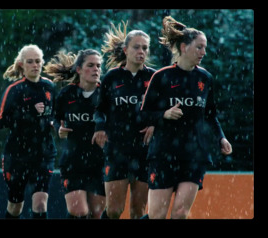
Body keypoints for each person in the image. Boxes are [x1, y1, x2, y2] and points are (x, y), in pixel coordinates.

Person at [140, 16, 233, 219]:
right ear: (183, 47)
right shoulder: (162, 77)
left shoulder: (205, 79)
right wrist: (164, 114)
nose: (204, 52)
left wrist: (221, 138)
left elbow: (210, 115)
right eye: (199, 47)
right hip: (163, 153)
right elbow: (144, 115)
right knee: (156, 215)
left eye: (205, 48)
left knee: (180, 213)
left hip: (194, 154)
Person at [91, 21, 156, 219]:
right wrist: (100, 127)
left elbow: (164, 111)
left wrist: (155, 123)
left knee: (138, 211)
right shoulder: (112, 77)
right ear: (126, 50)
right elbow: (99, 110)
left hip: (144, 151)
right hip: (117, 149)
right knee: (114, 210)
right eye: (136, 47)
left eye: (145, 48)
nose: (141, 51)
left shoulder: (154, 77)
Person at [44, 49, 106, 219]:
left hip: (99, 163)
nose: (96, 69)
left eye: (98, 66)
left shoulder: (106, 94)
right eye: (90, 65)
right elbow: (55, 119)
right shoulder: (67, 94)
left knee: (96, 214)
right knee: (79, 211)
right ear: (79, 69)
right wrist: (58, 129)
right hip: (73, 162)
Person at [0, 44, 57, 219]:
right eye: (30, 62)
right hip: (17, 155)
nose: (35, 65)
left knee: (40, 203)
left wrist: (56, 124)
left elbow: (55, 114)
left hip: (43, 154)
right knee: (15, 205)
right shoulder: (14, 90)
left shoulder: (50, 87)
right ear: (22, 64)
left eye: (38, 61)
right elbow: (1, 122)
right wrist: (28, 112)